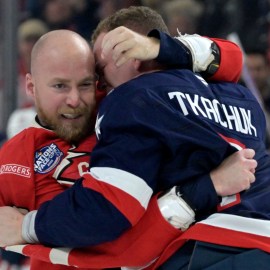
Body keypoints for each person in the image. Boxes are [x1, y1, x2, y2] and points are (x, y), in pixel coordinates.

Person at [0, 10, 258, 270]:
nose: (75, 99)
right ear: (31, 87)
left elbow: (232, 58)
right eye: (60, 86)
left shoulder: (128, 104)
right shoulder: (17, 156)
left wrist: (158, 47)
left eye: (88, 83)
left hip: (196, 249)